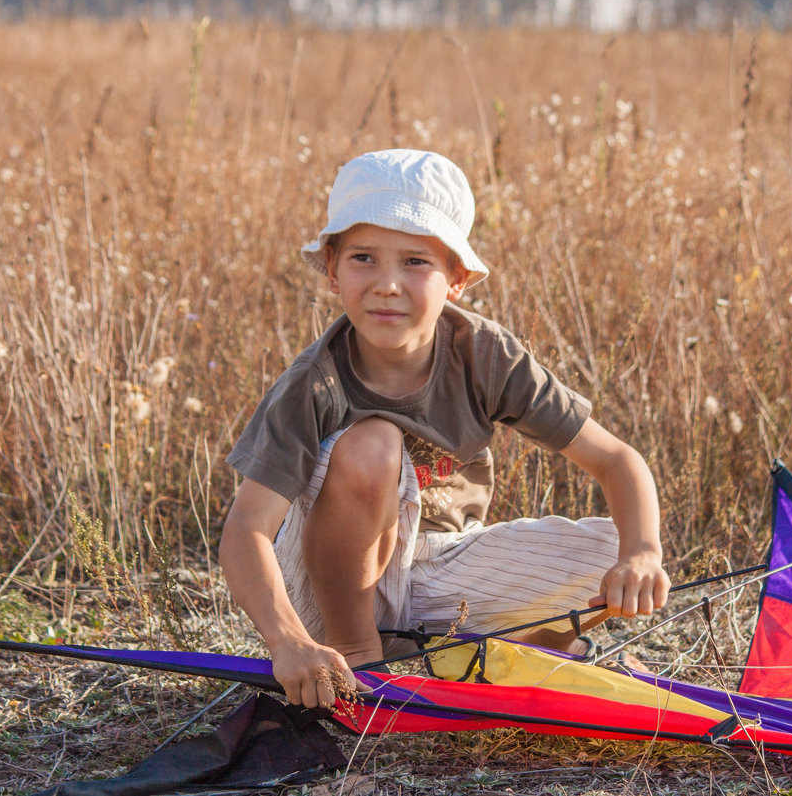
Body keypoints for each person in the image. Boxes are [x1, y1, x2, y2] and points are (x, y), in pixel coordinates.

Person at [218, 148, 669, 711]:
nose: (387, 284)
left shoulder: (484, 354)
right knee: (373, 444)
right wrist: (287, 641)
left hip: (441, 567)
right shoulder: (314, 383)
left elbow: (617, 461)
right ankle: (359, 657)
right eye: (364, 258)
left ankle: (497, 654)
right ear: (332, 268)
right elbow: (245, 530)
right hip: (327, 587)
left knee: (613, 545)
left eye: (415, 262)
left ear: (456, 277)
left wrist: (642, 553)